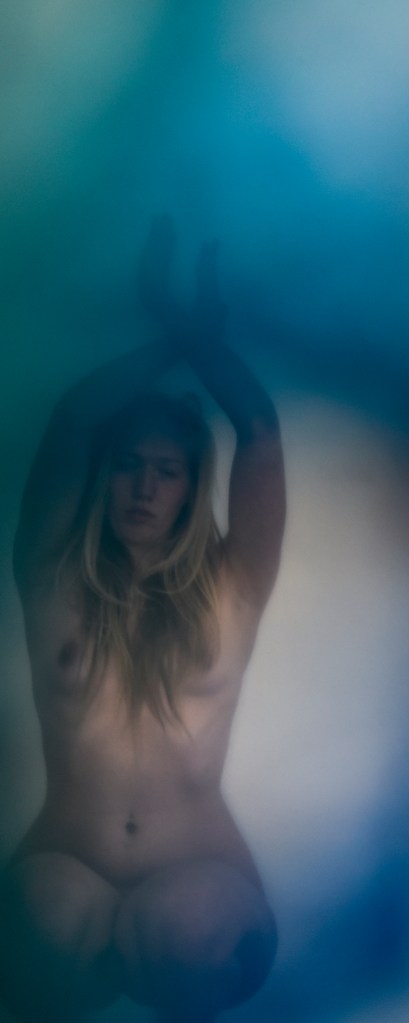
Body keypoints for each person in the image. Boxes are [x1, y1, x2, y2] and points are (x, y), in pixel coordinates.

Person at [0, 218, 286, 1023]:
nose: (145, 487)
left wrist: (196, 339)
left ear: (192, 488)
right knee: (39, 929)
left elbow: (258, 433)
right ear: (105, 477)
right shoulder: (51, 576)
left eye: (166, 470)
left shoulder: (233, 587)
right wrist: (167, 337)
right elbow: (71, 423)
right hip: (66, 864)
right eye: (128, 465)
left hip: (199, 875)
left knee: (194, 936)